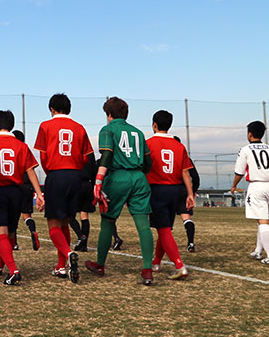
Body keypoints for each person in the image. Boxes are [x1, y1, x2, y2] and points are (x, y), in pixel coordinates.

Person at [84, 97, 156, 285]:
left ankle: (100, 264)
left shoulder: (107, 129)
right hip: (139, 177)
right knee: (143, 225)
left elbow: (106, 154)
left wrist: (98, 180)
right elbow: (148, 161)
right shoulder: (138, 133)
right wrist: (140, 175)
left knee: (108, 222)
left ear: (109, 114)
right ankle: (147, 270)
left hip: (117, 177)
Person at [33, 93, 93, 283]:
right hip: (75, 176)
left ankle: (68, 254)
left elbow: (43, 156)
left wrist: (52, 171)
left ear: (52, 109)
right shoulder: (79, 128)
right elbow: (86, 157)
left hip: (56, 175)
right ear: (69, 109)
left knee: (53, 224)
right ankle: (61, 267)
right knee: (66, 221)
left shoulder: (45, 125)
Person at [0, 111, 44, 285]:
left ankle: (14, 270)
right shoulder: (21, 146)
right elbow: (30, 171)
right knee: (10, 233)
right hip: (16, 192)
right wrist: (39, 194)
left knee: (1, 233)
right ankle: (0, 264)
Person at [230, 121, 269, 264]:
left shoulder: (245, 150)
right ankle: (258, 250)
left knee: (263, 221)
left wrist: (234, 185)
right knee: (261, 218)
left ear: (249, 134)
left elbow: (239, 172)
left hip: (257, 186)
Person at [146, 110, 195, 280]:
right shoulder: (179, 146)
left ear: (154, 125)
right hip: (175, 190)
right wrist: (190, 194)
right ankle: (157, 261)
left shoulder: (149, 143)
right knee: (165, 228)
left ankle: (180, 265)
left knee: (164, 229)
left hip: (157, 190)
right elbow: (186, 173)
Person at [11, 130, 40, 251]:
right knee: (27, 215)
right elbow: (32, 170)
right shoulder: (26, 149)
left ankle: (14, 243)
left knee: (13, 217)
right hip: (27, 186)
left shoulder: (13, 150)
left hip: (16, 186)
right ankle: (33, 231)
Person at [173, 135, 200, 251]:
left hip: (169, 189)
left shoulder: (164, 156)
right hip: (184, 191)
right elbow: (196, 178)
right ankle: (191, 243)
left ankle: (165, 245)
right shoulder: (186, 159)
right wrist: (192, 192)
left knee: (166, 222)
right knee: (186, 218)